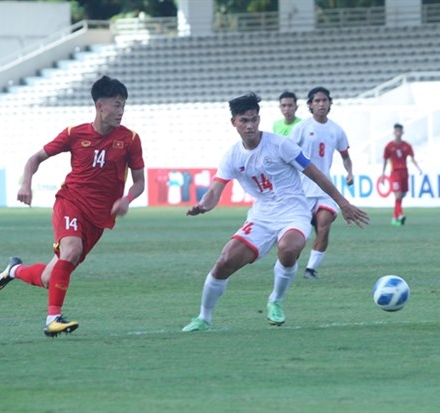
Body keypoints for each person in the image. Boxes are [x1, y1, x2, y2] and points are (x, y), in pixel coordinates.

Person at [181, 93, 369, 332]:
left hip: (293, 212)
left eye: (253, 119)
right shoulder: (232, 156)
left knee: (289, 249)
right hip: (262, 216)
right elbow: (215, 189)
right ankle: (203, 318)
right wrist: (204, 205)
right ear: (234, 123)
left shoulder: (281, 145)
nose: (250, 126)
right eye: (243, 121)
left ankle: (276, 300)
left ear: (259, 119)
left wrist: (342, 203)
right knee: (225, 261)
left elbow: (315, 173)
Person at [0, 75, 145, 337]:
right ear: (100, 106)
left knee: (51, 278)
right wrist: (26, 184)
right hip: (70, 202)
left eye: (124, 106)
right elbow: (35, 158)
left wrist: (126, 200)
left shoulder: (130, 139)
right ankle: (53, 319)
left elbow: (139, 182)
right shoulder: (75, 134)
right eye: (116, 105)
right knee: (71, 249)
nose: (121, 111)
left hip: (99, 219)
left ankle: (13, 270)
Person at [289, 86, 354, 281]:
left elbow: (345, 156)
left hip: (325, 190)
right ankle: (287, 267)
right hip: (301, 190)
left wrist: (349, 172)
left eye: (324, 100)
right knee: (298, 236)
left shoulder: (337, 130)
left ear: (330, 103)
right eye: (316, 101)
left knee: (324, 224)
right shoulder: (301, 128)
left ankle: (310, 270)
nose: (321, 104)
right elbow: (287, 153)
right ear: (310, 105)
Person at [380, 123, 422, 226]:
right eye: (396, 131)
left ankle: (395, 219)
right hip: (395, 173)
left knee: (402, 195)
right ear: (394, 132)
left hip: (404, 172)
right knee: (398, 195)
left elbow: (412, 159)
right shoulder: (389, 146)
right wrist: (383, 174)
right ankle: (400, 215)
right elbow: (385, 160)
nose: (398, 133)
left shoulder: (406, 146)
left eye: (400, 131)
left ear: (402, 132)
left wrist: (419, 168)